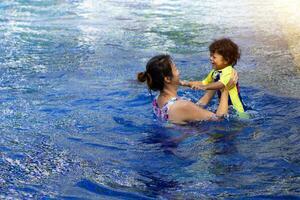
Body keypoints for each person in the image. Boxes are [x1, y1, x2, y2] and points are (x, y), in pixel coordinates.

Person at [137, 54, 235, 124]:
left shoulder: (158, 99)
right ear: (167, 79)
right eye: (175, 69)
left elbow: (195, 110)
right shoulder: (183, 106)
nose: (179, 72)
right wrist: (225, 90)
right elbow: (220, 120)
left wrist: (216, 84)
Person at [180, 38, 246, 113]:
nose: (210, 58)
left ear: (226, 60)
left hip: (237, 110)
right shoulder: (215, 72)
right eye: (211, 56)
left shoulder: (229, 71)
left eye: (214, 57)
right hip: (225, 107)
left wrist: (205, 87)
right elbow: (203, 82)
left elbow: (220, 84)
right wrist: (187, 83)